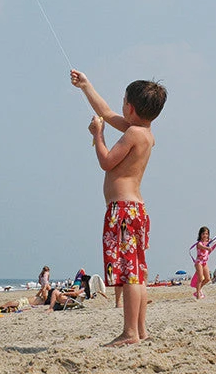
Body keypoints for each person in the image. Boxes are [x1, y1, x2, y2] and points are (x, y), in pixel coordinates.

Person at [70, 69, 167, 346]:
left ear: (131, 108)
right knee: (137, 273)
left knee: (130, 275)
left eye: (124, 101)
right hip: (135, 210)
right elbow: (107, 112)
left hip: (123, 211)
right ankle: (141, 330)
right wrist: (86, 86)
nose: (120, 106)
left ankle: (130, 333)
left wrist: (98, 134)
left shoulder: (133, 133)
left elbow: (106, 161)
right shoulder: (144, 133)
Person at [194, 226, 214, 299]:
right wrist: (208, 248)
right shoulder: (199, 243)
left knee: (208, 279)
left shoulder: (209, 242)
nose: (205, 235)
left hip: (204, 262)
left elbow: (214, 241)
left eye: (206, 234)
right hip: (199, 262)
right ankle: (198, 296)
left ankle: (198, 290)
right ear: (200, 234)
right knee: (200, 279)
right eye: (203, 234)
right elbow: (203, 247)